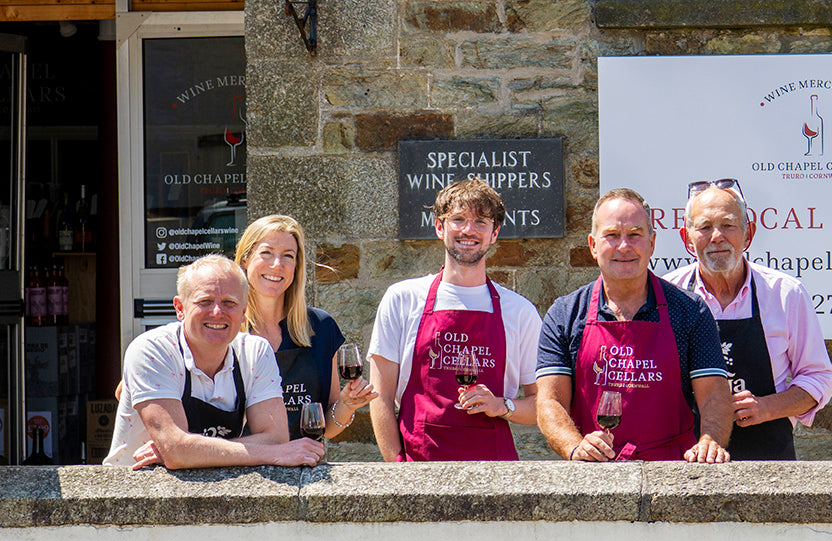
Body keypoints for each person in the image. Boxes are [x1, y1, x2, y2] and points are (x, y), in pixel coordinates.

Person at [536, 188, 734, 463]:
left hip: (674, 472)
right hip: (593, 470)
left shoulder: (691, 311)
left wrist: (710, 440)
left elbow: (714, 394)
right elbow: (550, 401)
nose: (624, 246)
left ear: (652, 243)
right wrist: (575, 446)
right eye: (612, 235)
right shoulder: (565, 314)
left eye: (635, 234)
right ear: (593, 245)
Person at [368, 178, 542, 461]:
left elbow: (544, 405)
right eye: (458, 219)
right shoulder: (402, 298)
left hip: (494, 475)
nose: (468, 230)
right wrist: (397, 471)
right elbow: (380, 396)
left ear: (494, 233)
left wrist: (502, 405)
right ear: (439, 227)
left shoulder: (519, 311)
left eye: (481, 222)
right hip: (419, 468)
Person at [663, 178, 832, 460]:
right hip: (686, 462)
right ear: (687, 239)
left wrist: (768, 407)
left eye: (728, 225)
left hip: (768, 463)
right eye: (705, 227)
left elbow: (819, 378)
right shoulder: (666, 297)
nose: (717, 236)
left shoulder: (785, 294)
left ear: (748, 233)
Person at [104, 255, 325, 469]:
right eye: (205, 301)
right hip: (135, 494)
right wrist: (180, 451)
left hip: (213, 489)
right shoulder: (153, 350)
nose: (217, 312)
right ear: (180, 308)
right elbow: (176, 451)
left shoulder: (254, 352)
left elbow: (276, 439)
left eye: (229, 302)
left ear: (244, 312)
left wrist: (191, 452)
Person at [235, 215, 376, 441]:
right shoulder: (225, 329)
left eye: (288, 256)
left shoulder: (320, 327)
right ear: (245, 259)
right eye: (266, 253)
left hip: (303, 469)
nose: (277, 265)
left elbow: (327, 427)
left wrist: (347, 404)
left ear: (297, 266)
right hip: (243, 469)